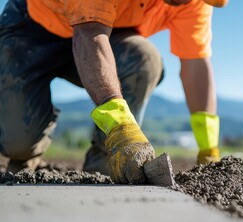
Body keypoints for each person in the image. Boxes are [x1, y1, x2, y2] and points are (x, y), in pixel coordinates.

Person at [0, 0, 227, 183]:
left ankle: (105, 162)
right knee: (18, 142)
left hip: (106, 36)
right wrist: (120, 126)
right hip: (32, 29)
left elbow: (196, 64)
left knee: (144, 59)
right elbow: (89, 33)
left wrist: (209, 148)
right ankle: (24, 156)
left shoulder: (194, 2)